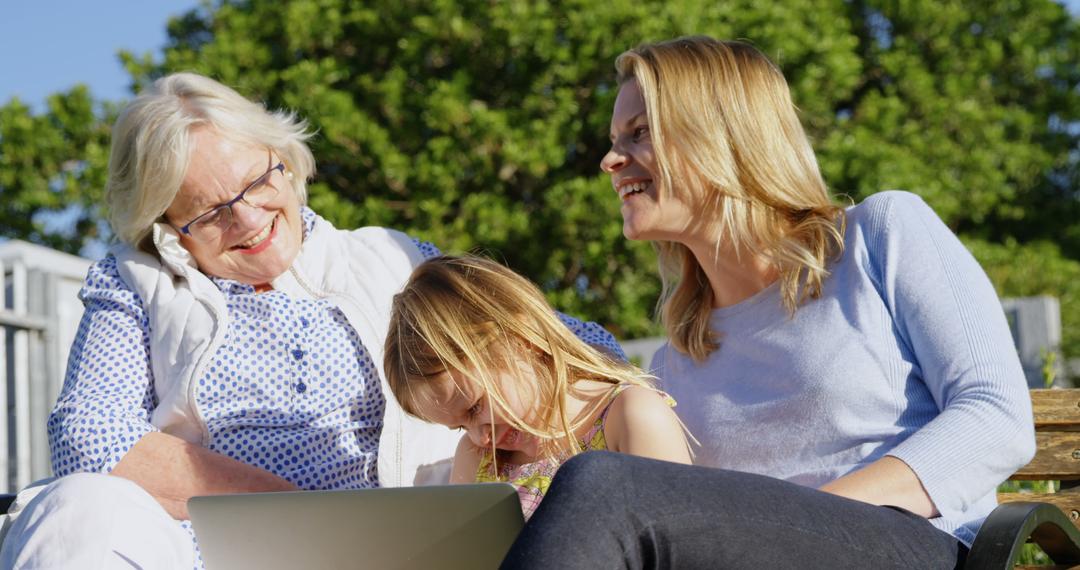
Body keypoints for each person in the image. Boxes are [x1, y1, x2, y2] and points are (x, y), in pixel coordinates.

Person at [0, 72, 626, 570]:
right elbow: (88, 435)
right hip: (211, 553)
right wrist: (291, 514)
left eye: (255, 182)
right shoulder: (138, 283)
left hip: (399, 543)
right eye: (210, 212)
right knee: (77, 505)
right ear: (167, 226)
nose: (246, 221)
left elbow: (570, 344)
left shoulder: (391, 256)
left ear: (285, 159)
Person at [500, 36, 1035, 569]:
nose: (609, 161)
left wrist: (799, 519)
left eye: (639, 133)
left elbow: (997, 418)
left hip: (914, 548)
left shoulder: (881, 236)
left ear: (722, 135)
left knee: (606, 485)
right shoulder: (675, 362)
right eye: (616, 139)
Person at [383, 254, 691, 519]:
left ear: (521, 339)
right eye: (460, 426)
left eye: (475, 407)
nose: (479, 435)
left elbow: (676, 548)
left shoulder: (629, 417)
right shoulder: (479, 459)